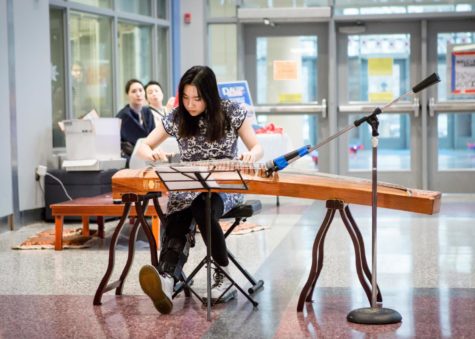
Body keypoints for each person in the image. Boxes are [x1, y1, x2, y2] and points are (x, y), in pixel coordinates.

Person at [137, 65, 263, 314]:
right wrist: (151, 153)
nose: (190, 104)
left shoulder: (231, 111)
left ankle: (223, 273)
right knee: (179, 214)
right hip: (189, 183)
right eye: (185, 97)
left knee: (200, 205)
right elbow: (144, 145)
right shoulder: (178, 116)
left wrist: (250, 156)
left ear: (210, 95)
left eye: (197, 98)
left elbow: (257, 146)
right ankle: (167, 278)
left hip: (225, 185)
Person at [116, 79, 156, 163]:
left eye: (141, 90)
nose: (138, 94)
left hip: (150, 156)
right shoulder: (123, 116)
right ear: (128, 95)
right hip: (131, 158)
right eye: (134, 91)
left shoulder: (147, 112)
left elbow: (154, 135)